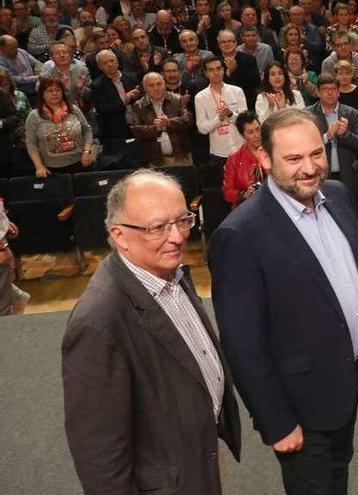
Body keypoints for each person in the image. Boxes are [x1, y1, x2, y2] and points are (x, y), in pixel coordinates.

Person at [208, 108, 358, 495]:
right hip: (299, 403)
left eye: (316, 153)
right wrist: (275, 421)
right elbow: (243, 346)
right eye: (293, 159)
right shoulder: (239, 234)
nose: (309, 167)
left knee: (339, 470)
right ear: (265, 159)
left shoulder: (338, 195)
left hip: (347, 377)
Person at [63, 169, 242, 494]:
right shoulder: (98, 323)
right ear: (119, 235)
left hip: (197, 459)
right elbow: (100, 456)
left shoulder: (167, 270)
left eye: (183, 220)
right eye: (158, 227)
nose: (176, 237)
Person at [306, 73, 358, 196]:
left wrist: (345, 134)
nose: (330, 93)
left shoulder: (351, 113)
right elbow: (305, 145)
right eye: (325, 90)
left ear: (339, 92)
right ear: (318, 93)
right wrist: (327, 137)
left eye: (333, 89)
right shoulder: (308, 115)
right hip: (319, 174)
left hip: (347, 174)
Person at [25, 76, 93, 177]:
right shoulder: (34, 116)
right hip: (50, 169)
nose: (54, 93)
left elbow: (87, 130)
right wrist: (39, 166)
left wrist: (87, 151)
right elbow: (31, 143)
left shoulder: (74, 110)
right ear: (42, 94)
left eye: (58, 90)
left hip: (80, 163)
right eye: (49, 90)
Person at [129, 71, 193, 167]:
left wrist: (169, 123)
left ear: (164, 84)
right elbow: (135, 130)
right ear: (145, 88)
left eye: (159, 84)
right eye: (151, 85)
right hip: (156, 161)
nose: (156, 88)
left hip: (181, 157)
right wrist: (155, 128)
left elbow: (188, 120)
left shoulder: (177, 99)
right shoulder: (139, 105)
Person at [194, 55, 247, 168]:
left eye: (218, 68)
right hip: (218, 152)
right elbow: (202, 128)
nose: (216, 72)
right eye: (211, 70)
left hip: (240, 147)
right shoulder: (200, 97)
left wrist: (230, 114)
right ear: (205, 73)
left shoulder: (237, 91)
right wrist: (219, 118)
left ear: (223, 69)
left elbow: (245, 121)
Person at [221, 111, 263, 207]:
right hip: (246, 207)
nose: (257, 135)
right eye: (250, 132)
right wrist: (244, 194)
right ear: (242, 135)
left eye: (258, 129)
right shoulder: (234, 158)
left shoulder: (272, 151)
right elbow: (227, 192)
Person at [216, 29, 260, 111]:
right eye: (223, 42)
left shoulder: (249, 59)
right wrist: (229, 72)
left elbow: (255, 82)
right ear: (219, 45)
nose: (227, 44)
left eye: (230, 41)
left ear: (236, 43)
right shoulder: (215, 62)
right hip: (222, 104)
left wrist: (236, 70)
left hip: (247, 102)